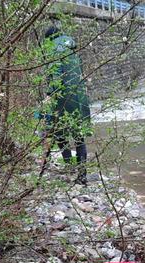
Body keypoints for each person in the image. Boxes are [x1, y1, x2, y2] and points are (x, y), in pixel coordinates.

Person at [43, 26, 91, 185]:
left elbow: (57, 76)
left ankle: (70, 165)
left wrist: (49, 95)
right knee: (79, 137)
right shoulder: (74, 51)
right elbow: (81, 74)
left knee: (59, 133)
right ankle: (82, 175)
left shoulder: (54, 50)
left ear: (49, 40)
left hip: (63, 100)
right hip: (80, 98)